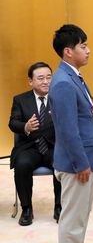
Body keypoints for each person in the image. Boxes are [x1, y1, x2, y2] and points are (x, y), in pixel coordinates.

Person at [49, 24, 93, 243]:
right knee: (72, 216)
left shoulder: (73, 76)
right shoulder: (62, 83)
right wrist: (81, 162)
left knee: (81, 214)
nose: (88, 51)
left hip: (86, 159)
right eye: (83, 46)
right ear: (68, 51)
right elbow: (68, 130)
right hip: (76, 164)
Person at [8, 62, 61, 226]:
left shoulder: (59, 97)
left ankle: (59, 207)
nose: (46, 82)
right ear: (30, 81)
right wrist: (25, 126)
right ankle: (27, 209)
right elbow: (12, 123)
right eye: (40, 78)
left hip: (53, 146)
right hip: (29, 146)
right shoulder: (20, 99)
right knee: (22, 164)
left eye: (48, 77)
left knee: (61, 163)